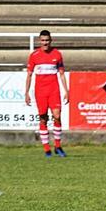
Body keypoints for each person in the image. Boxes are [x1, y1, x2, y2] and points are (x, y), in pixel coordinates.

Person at [25, 30, 69, 158]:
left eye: (47, 40)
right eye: (43, 40)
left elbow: (61, 74)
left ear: (51, 41)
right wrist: (26, 92)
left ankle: (58, 146)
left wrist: (66, 90)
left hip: (54, 90)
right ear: (40, 41)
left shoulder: (57, 54)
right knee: (43, 118)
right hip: (40, 92)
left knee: (57, 115)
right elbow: (29, 75)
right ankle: (46, 149)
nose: (45, 43)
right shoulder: (34, 55)